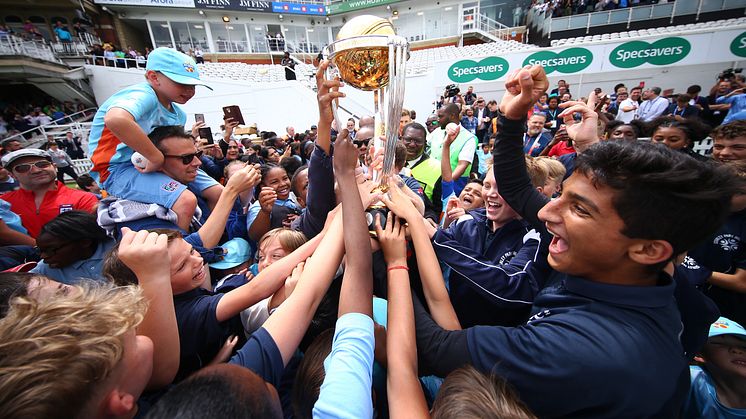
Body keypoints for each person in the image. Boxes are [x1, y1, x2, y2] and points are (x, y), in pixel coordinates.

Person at [412, 64, 736, 417]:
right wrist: (512, 117)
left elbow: (438, 349)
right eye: (561, 196)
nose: (548, 214)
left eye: (578, 209)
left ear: (649, 250)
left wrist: (391, 258)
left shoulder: (590, 347)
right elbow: (519, 189)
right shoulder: (640, 269)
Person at [86, 47, 213, 231]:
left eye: (192, 85)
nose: (189, 90)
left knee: (217, 192)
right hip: (116, 169)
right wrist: (156, 157)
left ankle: (209, 241)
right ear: (154, 77)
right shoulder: (144, 95)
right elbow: (116, 119)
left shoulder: (178, 114)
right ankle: (182, 253)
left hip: (159, 164)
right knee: (185, 200)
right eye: (181, 83)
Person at [0, 149, 98, 238]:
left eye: (42, 164)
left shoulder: (83, 198)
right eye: (23, 168)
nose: (36, 170)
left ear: (54, 167)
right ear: (12, 175)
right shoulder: (4, 203)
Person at [681, 317, 746, 418]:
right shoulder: (689, 380)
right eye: (719, 343)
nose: (737, 350)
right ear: (698, 354)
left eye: (744, 346)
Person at [29, 211, 115, 285]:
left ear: (85, 242)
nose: (43, 256)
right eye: (40, 250)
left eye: (50, 250)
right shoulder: (45, 269)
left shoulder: (117, 250)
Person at [429, 103, 478, 196]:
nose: (438, 120)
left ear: (452, 116)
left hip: (454, 185)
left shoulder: (469, 138)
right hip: (432, 181)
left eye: (441, 116)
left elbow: (462, 166)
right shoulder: (437, 132)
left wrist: (446, 184)